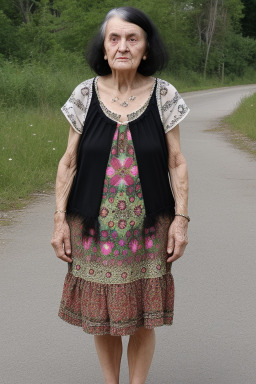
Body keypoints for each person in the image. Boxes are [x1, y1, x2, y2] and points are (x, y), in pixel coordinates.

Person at [51, 6, 190, 384]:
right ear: (104, 46)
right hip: (94, 226)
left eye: (133, 38)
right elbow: (68, 162)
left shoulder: (164, 95)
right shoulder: (84, 93)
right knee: (102, 316)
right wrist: (59, 220)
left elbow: (176, 162)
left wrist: (181, 220)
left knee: (145, 313)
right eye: (114, 38)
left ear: (146, 48)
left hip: (149, 226)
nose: (122, 46)